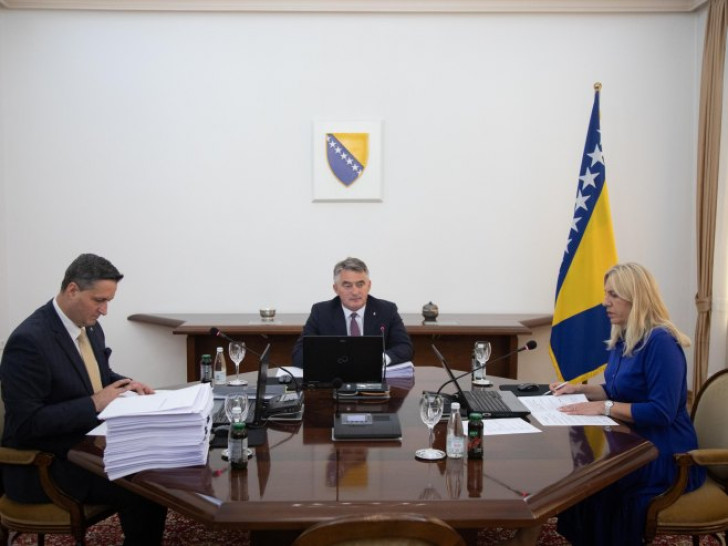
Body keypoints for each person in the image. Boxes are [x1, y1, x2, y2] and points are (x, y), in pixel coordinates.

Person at [0, 253, 168, 545]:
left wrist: (127, 384)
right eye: (99, 300)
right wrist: (95, 403)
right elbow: (27, 424)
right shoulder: (29, 342)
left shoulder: (88, 325)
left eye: (108, 301)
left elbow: (99, 374)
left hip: (84, 445)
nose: (105, 310)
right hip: (43, 466)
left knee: (153, 464)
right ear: (72, 290)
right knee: (145, 488)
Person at [549, 262, 705, 546]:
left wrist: (604, 407)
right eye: (605, 293)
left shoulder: (661, 342)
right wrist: (579, 389)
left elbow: (661, 412)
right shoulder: (625, 338)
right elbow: (616, 389)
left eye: (613, 295)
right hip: (633, 441)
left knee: (598, 482)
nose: (604, 302)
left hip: (666, 452)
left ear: (636, 297)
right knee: (583, 476)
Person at [292, 257, 413, 368]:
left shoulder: (387, 310)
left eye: (360, 284)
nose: (355, 292)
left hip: (374, 378)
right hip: (336, 378)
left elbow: (405, 347)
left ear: (369, 286)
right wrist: (333, 360)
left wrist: (380, 359)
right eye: (347, 286)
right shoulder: (321, 312)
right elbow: (299, 353)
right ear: (336, 289)